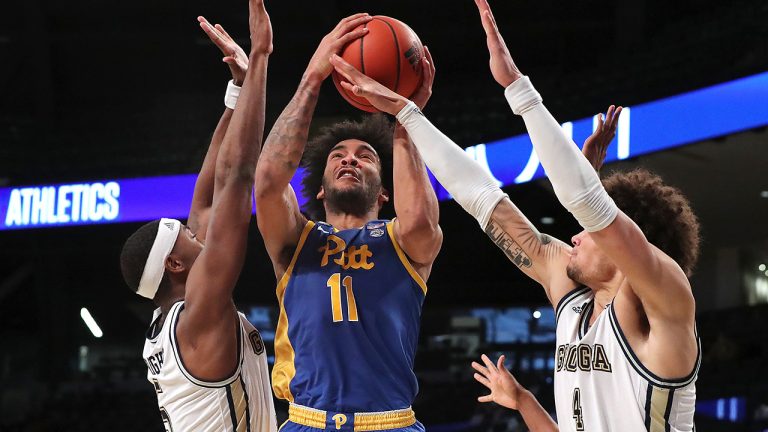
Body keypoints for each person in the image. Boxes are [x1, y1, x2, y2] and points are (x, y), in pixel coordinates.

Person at [329, 0, 702, 429]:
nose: (574, 238)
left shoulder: (664, 303)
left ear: (630, 241)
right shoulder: (575, 302)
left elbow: (586, 201)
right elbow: (483, 199)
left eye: (590, 232)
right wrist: (524, 401)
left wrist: (516, 88)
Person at [254, 13, 442, 431]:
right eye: (338, 156)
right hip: (308, 420)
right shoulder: (296, 238)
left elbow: (421, 221)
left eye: (366, 156)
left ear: (384, 192)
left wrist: (406, 116)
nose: (351, 158)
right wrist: (312, 78)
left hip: (389, 422)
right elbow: (266, 182)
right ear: (320, 189)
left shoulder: (401, 239)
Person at [118, 1, 276, 430]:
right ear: (175, 263)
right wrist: (261, 56)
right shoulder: (201, 315)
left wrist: (237, 93)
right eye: (185, 233)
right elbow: (238, 179)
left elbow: (207, 197)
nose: (194, 226)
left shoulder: (174, 312)